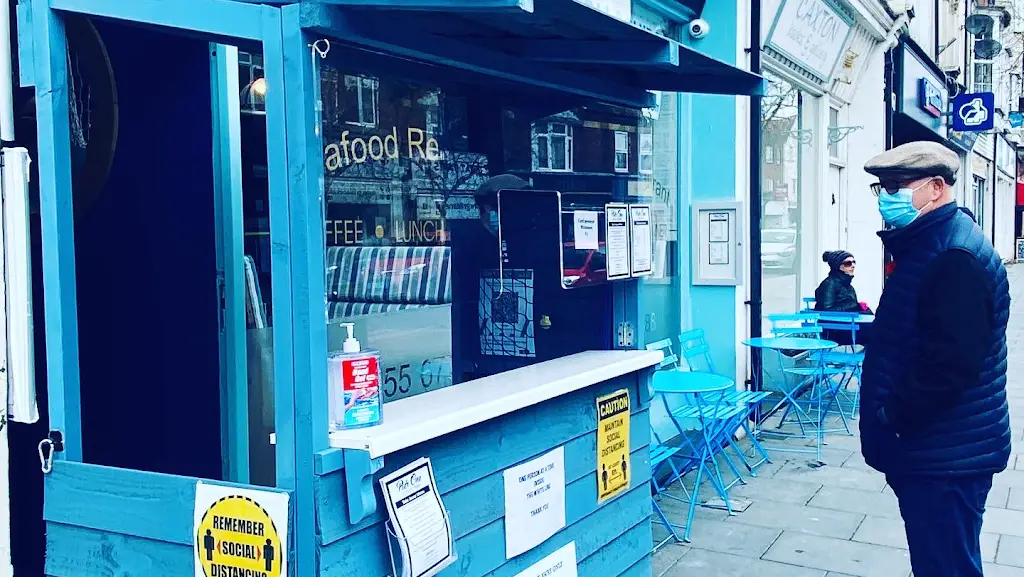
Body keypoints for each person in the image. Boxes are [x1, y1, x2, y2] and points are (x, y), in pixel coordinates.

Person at [860, 141, 1011, 577]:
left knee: (946, 566)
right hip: (942, 449)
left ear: (937, 187)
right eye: (880, 187)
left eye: (895, 185)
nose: (886, 197)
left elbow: (951, 366)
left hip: (944, 454)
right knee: (941, 560)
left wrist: (894, 414)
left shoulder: (952, 255)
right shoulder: (933, 244)